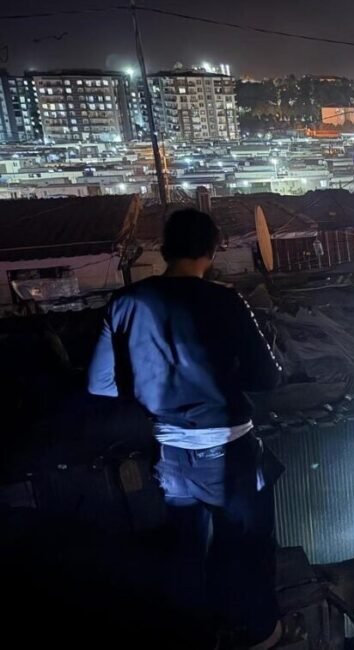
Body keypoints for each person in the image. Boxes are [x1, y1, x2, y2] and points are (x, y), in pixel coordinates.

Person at [88, 208, 284, 650]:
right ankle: (260, 634)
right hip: (231, 454)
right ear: (212, 252)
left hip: (170, 455)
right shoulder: (227, 301)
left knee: (184, 551)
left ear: (163, 249)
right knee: (247, 548)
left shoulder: (125, 304)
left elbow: (100, 384)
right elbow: (267, 378)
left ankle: (194, 635)